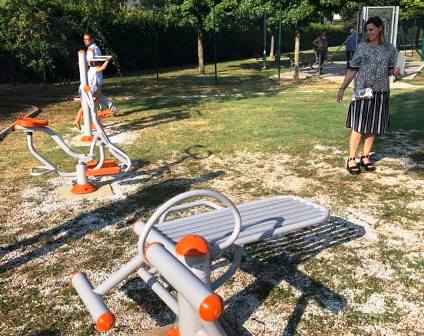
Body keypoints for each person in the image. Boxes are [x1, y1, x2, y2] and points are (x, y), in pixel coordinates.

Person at [336, 16, 401, 175]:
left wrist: (396, 72)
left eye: (371, 29)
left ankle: (365, 157)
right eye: (367, 30)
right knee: (359, 126)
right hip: (363, 92)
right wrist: (342, 87)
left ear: (380, 29)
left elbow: (391, 70)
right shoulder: (362, 48)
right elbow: (352, 69)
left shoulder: (390, 49)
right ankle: (351, 159)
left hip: (381, 92)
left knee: (373, 127)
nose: (368, 32)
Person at [73, 33, 118, 130]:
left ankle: (78, 120)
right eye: (84, 39)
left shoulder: (93, 51)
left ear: (92, 39)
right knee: (94, 103)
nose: (86, 41)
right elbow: (101, 66)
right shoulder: (93, 67)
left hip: (84, 88)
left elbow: (95, 62)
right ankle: (98, 121)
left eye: (87, 39)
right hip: (88, 87)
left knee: (88, 104)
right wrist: (107, 60)